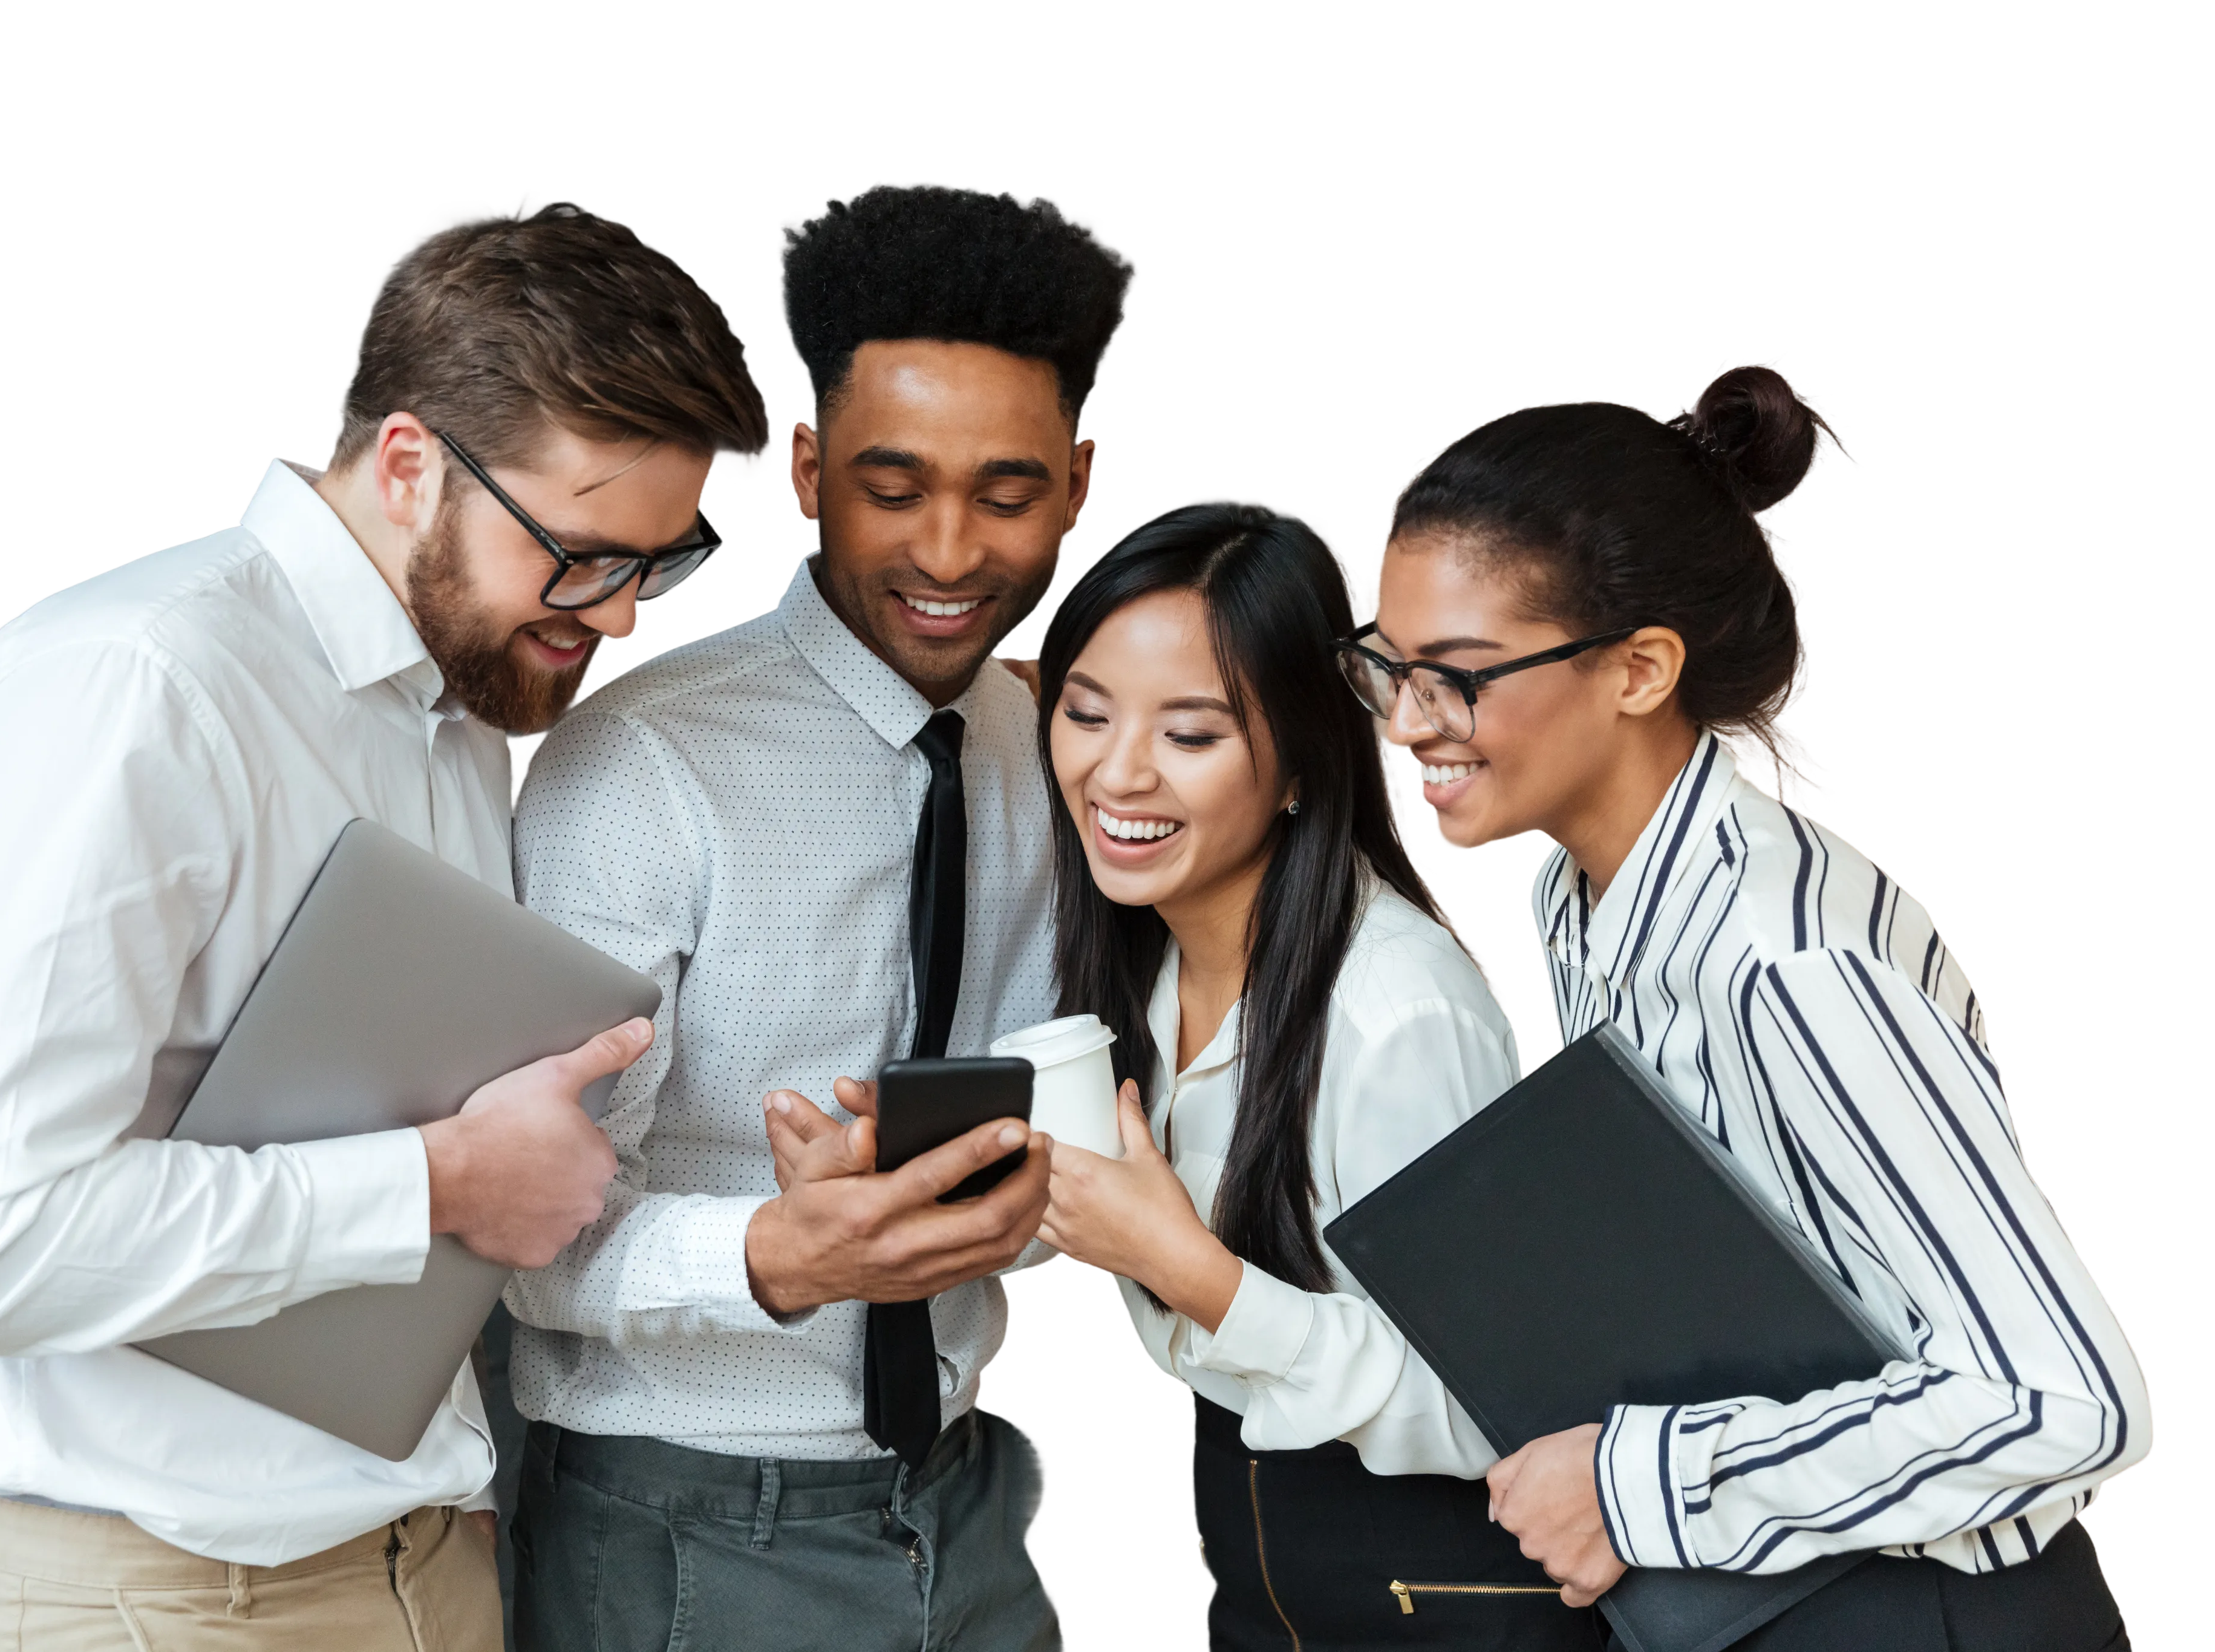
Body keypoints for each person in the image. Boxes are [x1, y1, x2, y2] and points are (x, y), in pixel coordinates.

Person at [0, 194, 772, 1651]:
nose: (617, 620)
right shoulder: (126, 691)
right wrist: (437, 1183)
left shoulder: (487, 705)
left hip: (431, 1573)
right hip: (129, 1602)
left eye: (658, 566)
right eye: (585, 554)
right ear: (408, 463)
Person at [1346, 362, 2150, 1649]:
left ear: (1639, 669)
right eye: (1386, 668)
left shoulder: (1785, 963)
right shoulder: (1575, 886)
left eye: (1458, 675)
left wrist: (1629, 1484)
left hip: (1934, 1615)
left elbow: (2066, 1400)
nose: (1401, 724)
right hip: (1779, 1595)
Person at [500, 181, 1137, 1652]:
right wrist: (778, 1255)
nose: (949, 551)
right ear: (803, 469)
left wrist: (1006, 1205)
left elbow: (1055, 1130)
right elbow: (521, 1242)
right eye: (892, 485)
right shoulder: (637, 768)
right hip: (684, 1534)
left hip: (970, 1502)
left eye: (1007, 491)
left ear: (1080, 484)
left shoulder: (1062, 754)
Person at [1027, 498, 1605, 1650]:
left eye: (1191, 735)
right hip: (1262, 1565)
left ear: (1302, 755)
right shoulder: (1142, 957)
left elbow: (1492, 1404)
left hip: (1449, 1589)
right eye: (1085, 714)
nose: (1117, 773)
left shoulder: (1397, 1006)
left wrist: (1191, 1272)